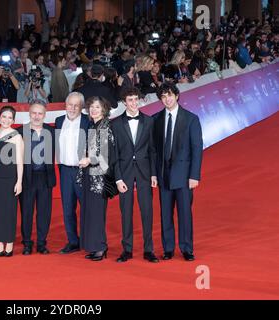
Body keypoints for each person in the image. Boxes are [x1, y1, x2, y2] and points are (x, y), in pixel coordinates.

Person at [152, 82, 203, 261]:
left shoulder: (191, 119)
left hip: (183, 176)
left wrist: (194, 175)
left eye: (170, 95)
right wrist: (153, 174)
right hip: (163, 174)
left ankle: (186, 248)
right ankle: (168, 248)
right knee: (165, 214)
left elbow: (197, 149)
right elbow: (154, 150)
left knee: (184, 214)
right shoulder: (156, 119)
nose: (167, 99)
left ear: (177, 96)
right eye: (163, 97)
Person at [111, 87, 159, 263]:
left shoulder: (149, 121)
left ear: (139, 100)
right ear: (124, 102)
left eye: (135, 99)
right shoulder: (115, 124)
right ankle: (127, 249)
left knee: (147, 211)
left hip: (145, 171)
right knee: (126, 212)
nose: (133, 103)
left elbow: (153, 150)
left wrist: (154, 174)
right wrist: (117, 178)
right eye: (129, 100)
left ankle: (149, 249)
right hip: (124, 173)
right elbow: (114, 154)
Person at [77, 96, 116, 261]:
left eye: (97, 107)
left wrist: (88, 160)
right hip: (89, 174)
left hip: (99, 177)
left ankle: (100, 247)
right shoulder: (93, 125)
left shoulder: (106, 126)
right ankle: (94, 246)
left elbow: (106, 156)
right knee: (90, 211)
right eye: (91, 107)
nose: (93, 110)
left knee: (97, 213)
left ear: (104, 109)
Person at [17, 101, 56, 255]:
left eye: (40, 113)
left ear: (44, 115)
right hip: (27, 178)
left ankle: (41, 243)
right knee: (26, 212)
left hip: (45, 178)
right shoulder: (20, 132)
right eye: (34, 113)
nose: (37, 116)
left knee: (44, 212)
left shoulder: (52, 131)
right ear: (29, 114)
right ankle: (27, 243)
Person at [0, 106, 24, 257]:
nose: (6, 120)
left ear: (13, 120)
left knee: (9, 211)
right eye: (4, 116)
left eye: (10, 117)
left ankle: (9, 243)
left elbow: (20, 161)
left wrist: (19, 181)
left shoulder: (17, 136)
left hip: (10, 177)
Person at [55, 92, 89, 254]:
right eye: (70, 104)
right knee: (68, 208)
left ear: (82, 107)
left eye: (77, 105)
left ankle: (89, 241)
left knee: (87, 208)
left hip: (83, 171)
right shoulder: (59, 121)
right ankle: (73, 242)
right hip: (65, 171)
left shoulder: (88, 121)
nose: (73, 108)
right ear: (65, 105)